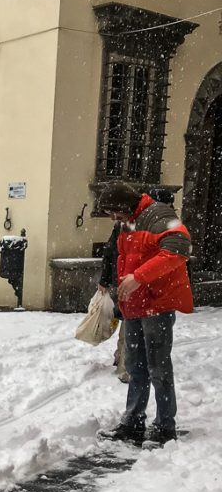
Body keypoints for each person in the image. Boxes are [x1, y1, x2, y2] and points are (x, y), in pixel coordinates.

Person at [95, 180, 192, 446]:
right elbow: (119, 256)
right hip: (135, 304)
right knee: (135, 366)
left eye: (114, 211)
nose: (113, 218)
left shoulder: (159, 215)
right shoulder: (127, 221)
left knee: (158, 366)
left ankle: (165, 426)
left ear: (125, 205)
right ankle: (133, 422)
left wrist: (139, 277)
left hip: (157, 304)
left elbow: (180, 248)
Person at [97, 221, 129, 383]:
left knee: (124, 319)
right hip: (131, 282)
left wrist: (104, 280)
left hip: (119, 280)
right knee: (129, 323)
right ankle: (124, 366)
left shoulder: (120, 226)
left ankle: (119, 356)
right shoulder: (139, 224)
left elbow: (109, 253)